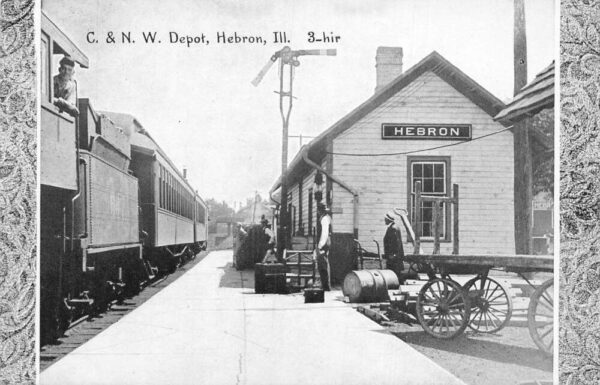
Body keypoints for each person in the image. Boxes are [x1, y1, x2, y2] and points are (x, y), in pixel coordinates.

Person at [383, 211, 405, 280]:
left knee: (394, 274)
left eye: (385, 219)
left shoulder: (393, 228)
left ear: (388, 220)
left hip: (393, 257)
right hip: (393, 256)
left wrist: (393, 254)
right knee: (395, 274)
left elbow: (396, 243)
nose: (384, 220)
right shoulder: (394, 227)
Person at [316, 204, 332, 291]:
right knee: (323, 263)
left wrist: (320, 245)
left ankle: (326, 286)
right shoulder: (325, 218)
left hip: (324, 243)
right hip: (325, 242)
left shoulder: (325, 219)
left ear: (320, 211)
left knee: (323, 264)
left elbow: (325, 233)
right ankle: (325, 285)